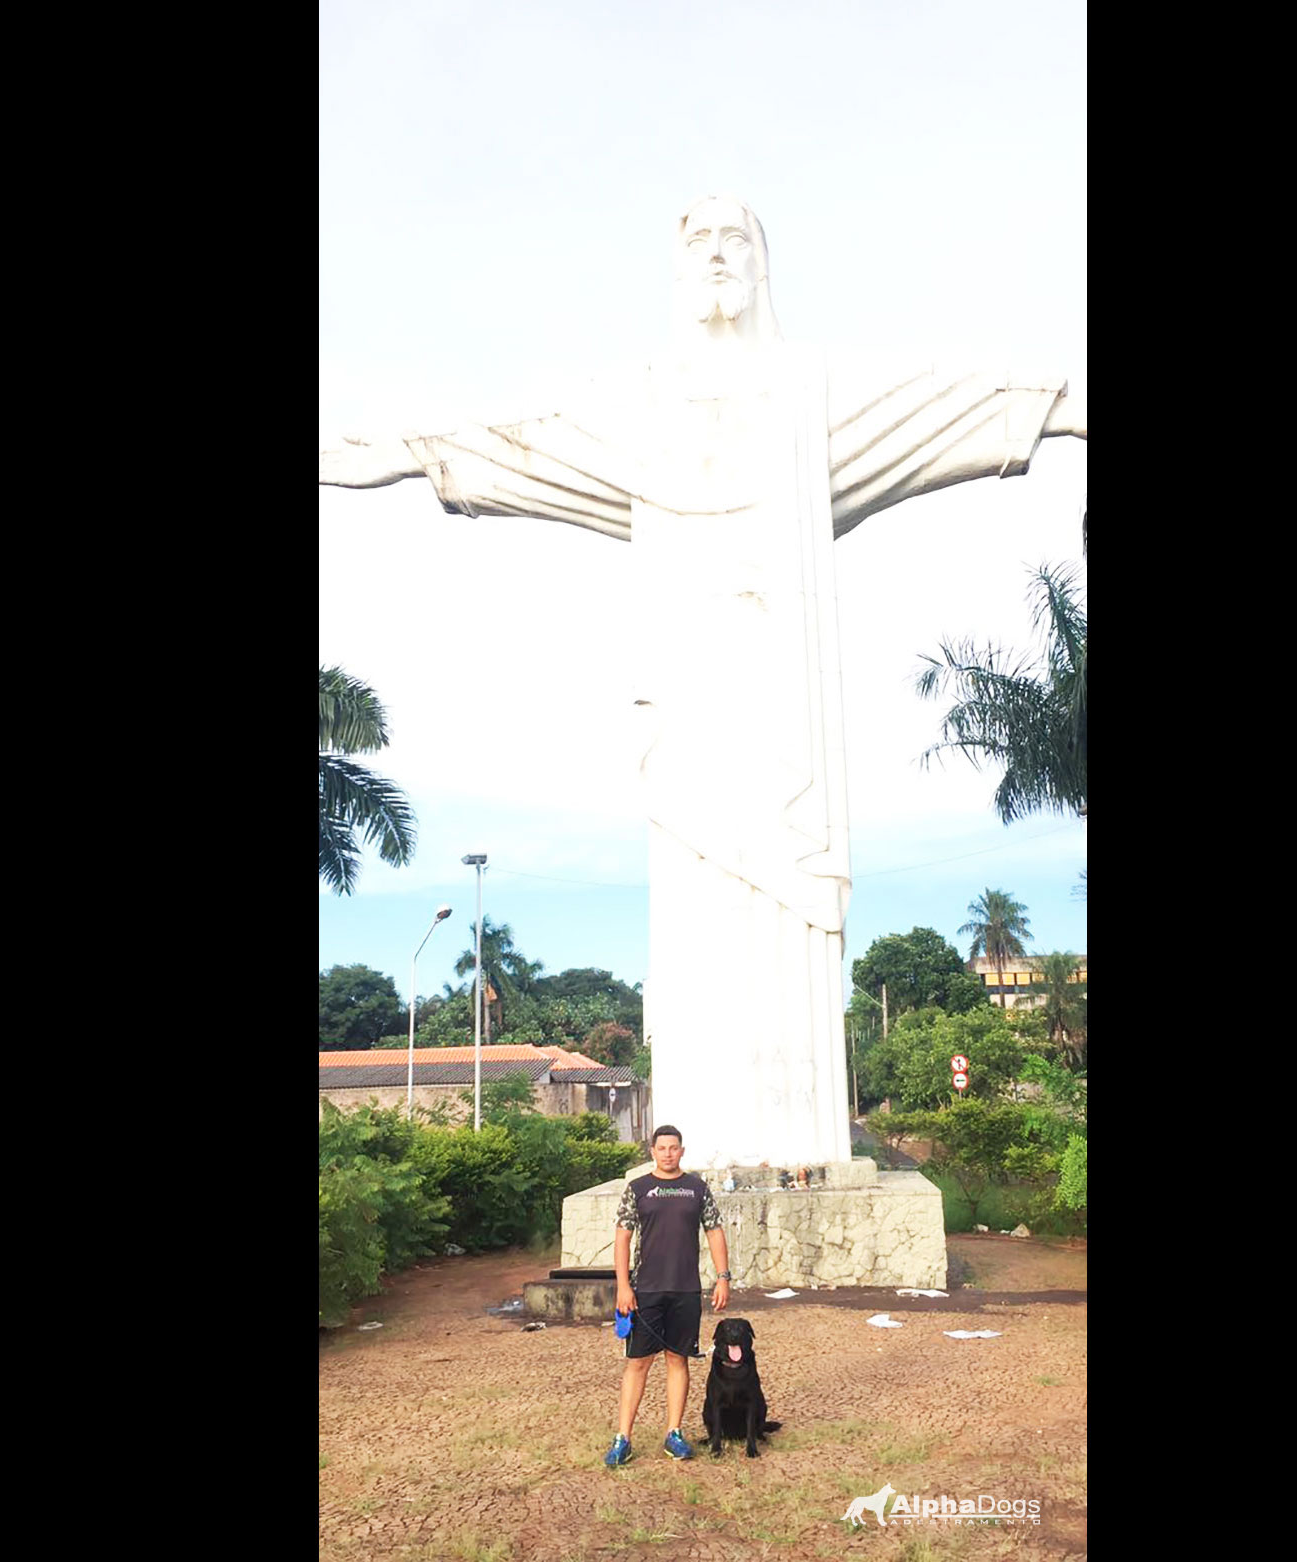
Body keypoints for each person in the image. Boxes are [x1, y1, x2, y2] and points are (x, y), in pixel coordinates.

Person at [320, 196, 1086, 1170]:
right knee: (692, 891)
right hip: (686, 708)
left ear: (763, 266)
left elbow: (931, 412)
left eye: (736, 240)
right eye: (698, 242)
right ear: (675, 272)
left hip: (785, 705)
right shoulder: (639, 409)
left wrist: (1051, 408)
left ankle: (804, 1143)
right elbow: (525, 443)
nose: (718, 256)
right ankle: (700, 1154)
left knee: (790, 893)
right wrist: (399, 455)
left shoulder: (809, 396)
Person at [604, 1124, 730, 1466]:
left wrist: (723, 1278)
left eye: (674, 1148)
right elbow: (622, 1238)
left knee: (678, 1359)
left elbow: (715, 1231)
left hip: (685, 1289)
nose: (668, 1153)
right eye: (662, 1148)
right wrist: (623, 1286)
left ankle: (674, 1433)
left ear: (682, 1151)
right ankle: (623, 1438)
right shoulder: (638, 1189)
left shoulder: (697, 1188)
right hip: (645, 1289)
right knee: (638, 1363)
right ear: (653, 1152)